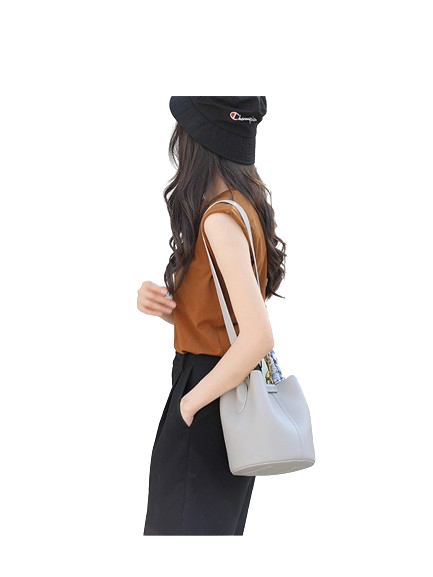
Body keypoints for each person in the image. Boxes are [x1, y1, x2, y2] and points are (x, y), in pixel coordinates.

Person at [137, 96, 287, 535]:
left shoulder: (219, 219)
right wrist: (167, 308)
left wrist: (189, 404)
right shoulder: (243, 206)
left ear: (196, 141)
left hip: (206, 397)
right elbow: (229, 325)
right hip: (229, 398)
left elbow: (257, 336)